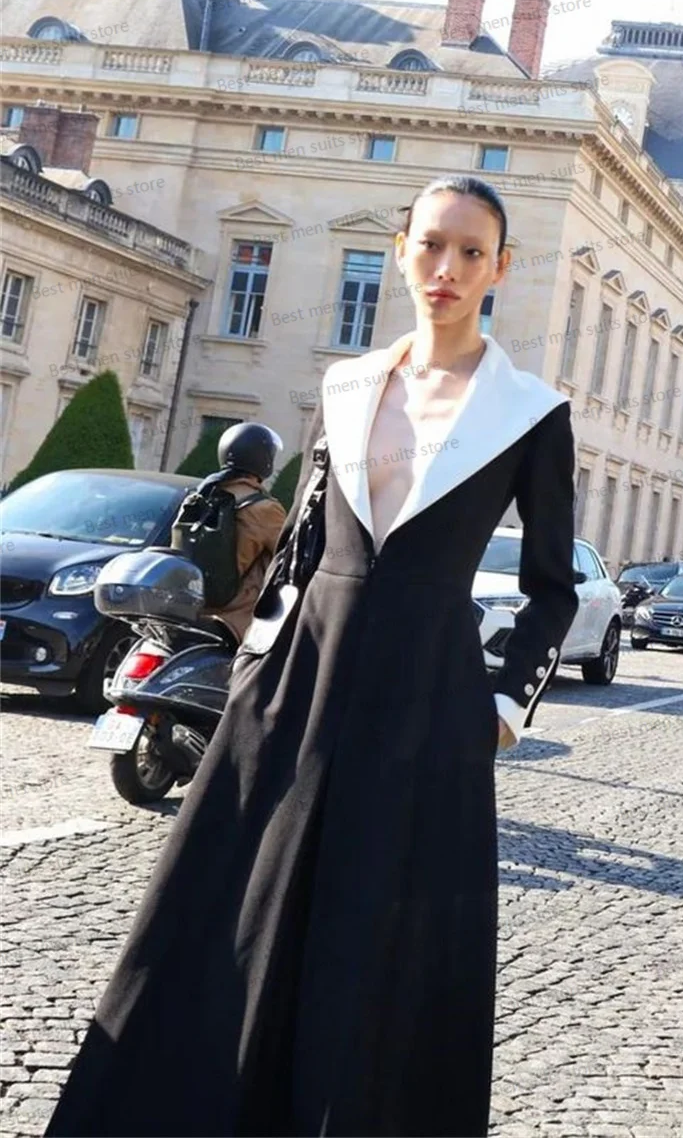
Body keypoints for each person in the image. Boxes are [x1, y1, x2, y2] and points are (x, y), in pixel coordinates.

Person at [45, 176, 579, 1138]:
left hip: (430, 699)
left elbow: (554, 586)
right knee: (227, 914)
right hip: (295, 683)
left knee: (379, 940)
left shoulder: (532, 413)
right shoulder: (345, 383)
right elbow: (301, 544)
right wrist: (254, 659)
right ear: (403, 249)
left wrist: (504, 708)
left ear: (500, 270)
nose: (446, 269)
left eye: (470, 252)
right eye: (430, 245)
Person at [197, 422, 287, 643]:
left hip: (195, 606)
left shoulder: (201, 496)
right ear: (264, 459)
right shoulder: (265, 509)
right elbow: (288, 554)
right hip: (239, 617)